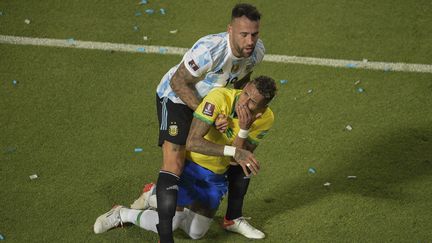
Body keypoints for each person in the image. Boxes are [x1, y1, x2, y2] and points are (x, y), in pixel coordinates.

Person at [94, 76, 277, 240]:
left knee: (196, 233)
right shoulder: (220, 98)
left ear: (262, 109)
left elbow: (236, 160)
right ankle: (123, 214)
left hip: (215, 176)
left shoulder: (266, 119)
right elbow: (192, 142)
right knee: (172, 222)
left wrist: (244, 129)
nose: (244, 102)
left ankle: (154, 194)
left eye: (252, 101)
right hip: (189, 167)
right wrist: (233, 150)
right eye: (245, 93)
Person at [152, 3, 265, 242]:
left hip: (213, 105)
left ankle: (232, 217)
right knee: (175, 163)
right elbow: (178, 82)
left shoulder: (256, 52)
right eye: (243, 34)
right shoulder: (209, 50)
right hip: (177, 99)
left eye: (254, 34)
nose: (250, 41)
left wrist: (232, 116)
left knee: (238, 153)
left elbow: (241, 82)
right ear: (230, 30)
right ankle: (165, 237)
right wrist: (208, 115)